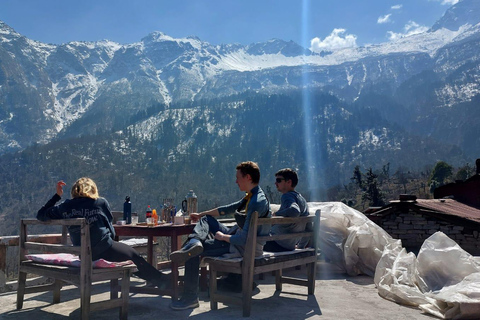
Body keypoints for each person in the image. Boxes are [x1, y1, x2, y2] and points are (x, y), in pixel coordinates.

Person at [169, 161, 271, 310]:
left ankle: (190, 297)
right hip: (239, 239)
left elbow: (244, 239)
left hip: (241, 247)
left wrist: (222, 237)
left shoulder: (256, 202)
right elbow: (227, 209)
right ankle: (194, 242)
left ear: (248, 177)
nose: (236, 181)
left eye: (238, 177)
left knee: (191, 254)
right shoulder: (253, 195)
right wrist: (201, 214)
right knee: (206, 220)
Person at [36, 177, 169, 289]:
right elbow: (109, 226)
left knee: (129, 257)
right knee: (133, 256)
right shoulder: (99, 202)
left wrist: (57, 196)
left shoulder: (65, 206)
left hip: (84, 255)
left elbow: (41, 214)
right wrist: (111, 241)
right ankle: (163, 281)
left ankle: (159, 280)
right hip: (105, 249)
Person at [263, 168, 309, 252]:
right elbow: (309, 227)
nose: (275, 183)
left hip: (277, 243)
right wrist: (300, 247)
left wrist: (276, 214)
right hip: (289, 245)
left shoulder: (287, 196)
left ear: (289, 182)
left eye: (279, 180)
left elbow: (294, 211)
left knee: (247, 240)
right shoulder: (302, 200)